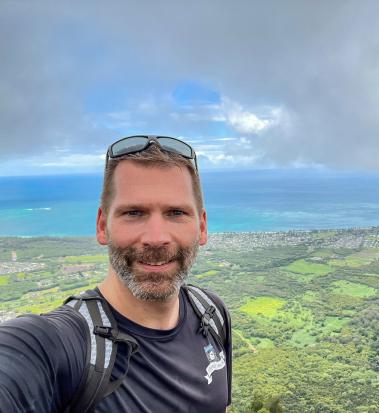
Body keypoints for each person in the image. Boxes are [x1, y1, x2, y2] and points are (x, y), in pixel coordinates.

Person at [0, 136, 232, 413]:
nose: (156, 238)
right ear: (102, 226)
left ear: (202, 228)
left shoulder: (211, 313)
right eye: (134, 212)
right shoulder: (62, 345)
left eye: (176, 212)